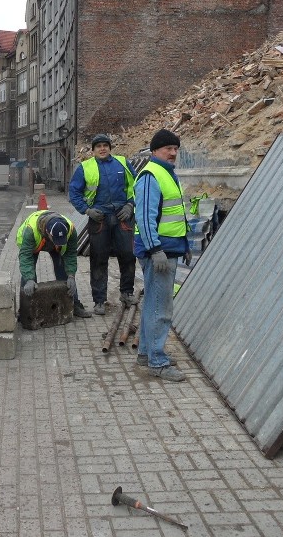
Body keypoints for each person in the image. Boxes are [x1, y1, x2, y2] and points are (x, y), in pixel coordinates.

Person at [134, 129, 191, 382]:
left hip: (169, 247)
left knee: (153, 304)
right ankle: (157, 361)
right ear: (155, 150)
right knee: (161, 307)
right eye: (168, 148)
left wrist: (184, 244)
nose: (173, 152)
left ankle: (147, 353)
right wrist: (155, 250)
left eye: (176, 148)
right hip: (159, 252)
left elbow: (175, 214)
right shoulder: (150, 175)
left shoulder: (169, 174)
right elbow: (144, 217)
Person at [68, 133, 138, 315]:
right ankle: (99, 301)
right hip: (99, 218)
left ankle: (127, 292)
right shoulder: (85, 167)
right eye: (98, 146)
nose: (102, 148)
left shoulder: (122, 163)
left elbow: (136, 186)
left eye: (105, 145)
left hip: (122, 216)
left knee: (128, 255)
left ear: (110, 148)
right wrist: (87, 210)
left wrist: (130, 205)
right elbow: (74, 193)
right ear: (93, 150)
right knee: (99, 259)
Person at [17, 210, 93, 319]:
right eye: (56, 239)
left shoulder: (71, 230)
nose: (59, 241)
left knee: (64, 274)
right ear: (48, 232)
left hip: (52, 245)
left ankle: (74, 305)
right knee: (28, 278)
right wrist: (29, 278)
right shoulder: (31, 231)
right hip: (33, 244)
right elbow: (25, 257)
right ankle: (24, 311)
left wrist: (71, 275)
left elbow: (70, 254)